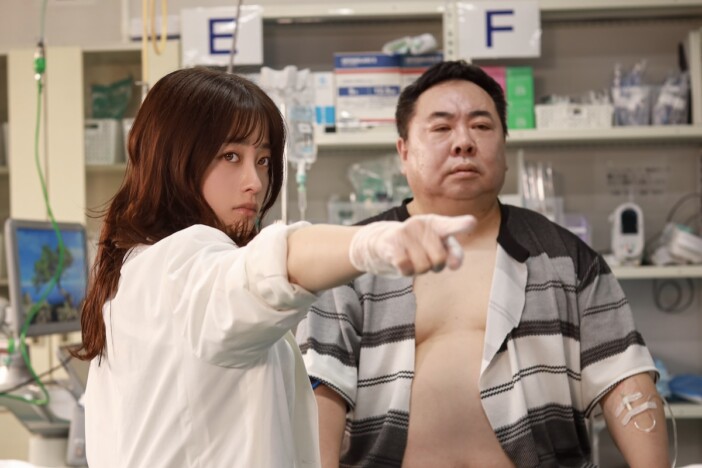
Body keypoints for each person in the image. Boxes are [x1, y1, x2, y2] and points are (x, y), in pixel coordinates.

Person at [73, 66, 477, 468]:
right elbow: (264, 273)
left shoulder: (136, 268)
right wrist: (369, 244)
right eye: (230, 156)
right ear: (173, 159)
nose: (255, 181)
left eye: (263, 160)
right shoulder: (180, 265)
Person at [296, 60, 670, 468]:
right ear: (403, 152)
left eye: (481, 126)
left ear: (504, 147)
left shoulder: (565, 257)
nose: (463, 142)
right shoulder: (356, 259)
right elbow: (320, 385)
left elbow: (623, 376)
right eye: (441, 127)